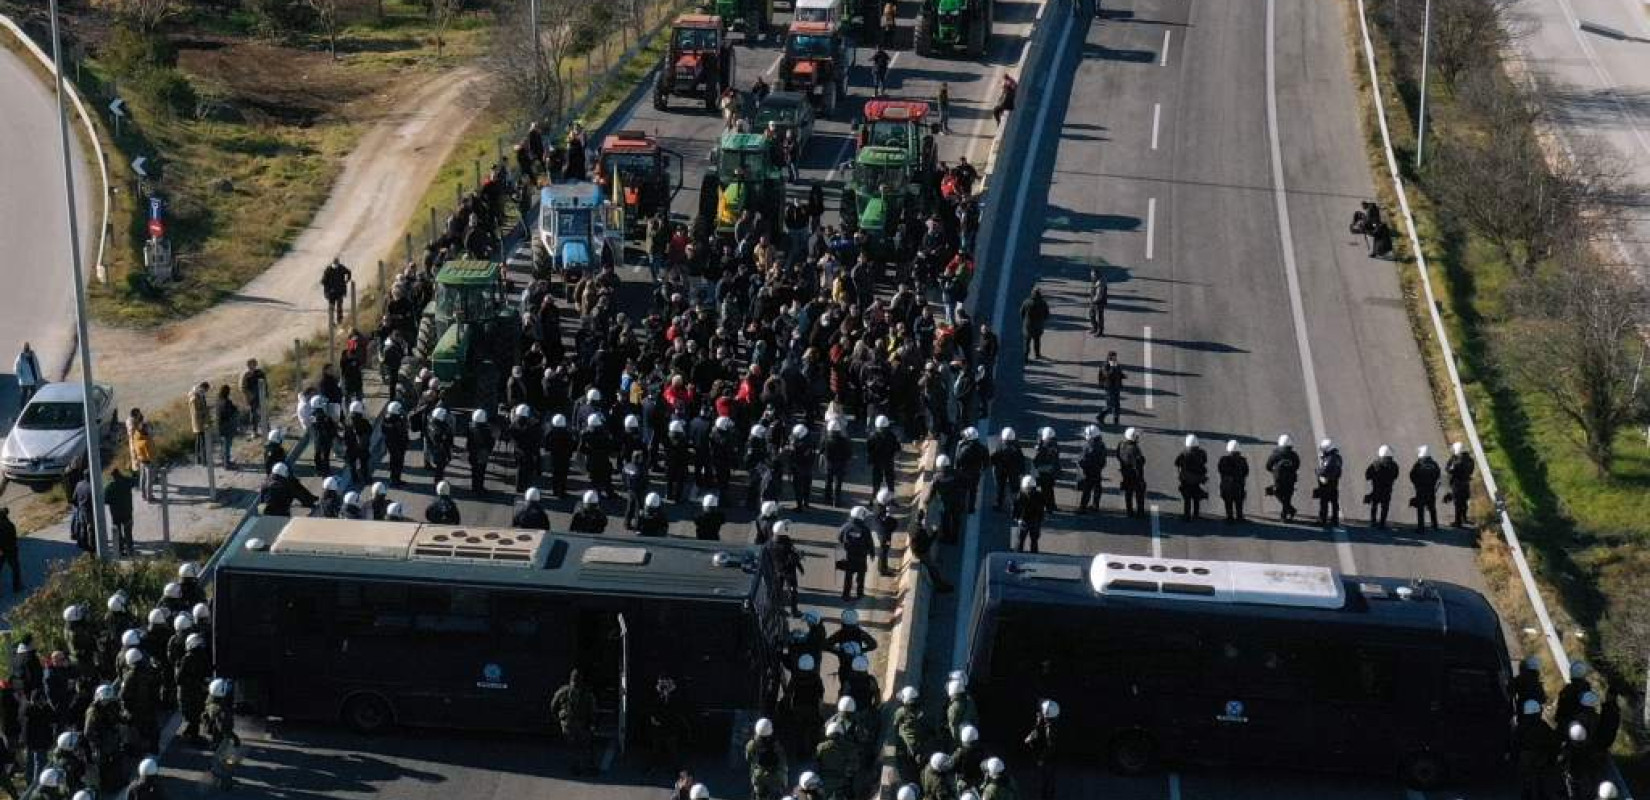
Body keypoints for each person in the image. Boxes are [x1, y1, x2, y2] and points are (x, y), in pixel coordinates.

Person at [551, 670, 598, 775]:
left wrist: (558, 718)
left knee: (573, 747)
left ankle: (576, 767)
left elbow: (553, 705)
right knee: (586, 746)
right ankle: (589, 768)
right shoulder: (587, 693)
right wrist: (593, 723)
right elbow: (593, 710)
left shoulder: (563, 691)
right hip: (581, 723)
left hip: (568, 724)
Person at [202, 679, 240, 789]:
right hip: (222, 739)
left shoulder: (210, 700)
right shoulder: (220, 709)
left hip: (215, 736)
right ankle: (224, 782)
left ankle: (213, 772)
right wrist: (234, 738)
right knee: (226, 761)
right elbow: (224, 728)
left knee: (218, 758)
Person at [891, 687, 929, 781]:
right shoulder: (921, 711)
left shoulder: (901, 712)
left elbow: (895, 725)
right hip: (921, 742)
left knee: (910, 765)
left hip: (908, 744)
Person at [747, 717, 789, 800]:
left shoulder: (752, 744)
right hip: (776, 775)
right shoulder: (777, 744)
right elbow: (783, 760)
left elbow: (749, 758)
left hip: (759, 775)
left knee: (759, 795)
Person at [837, 507, 874, 601]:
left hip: (849, 556)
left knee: (848, 576)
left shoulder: (845, 526)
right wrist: (872, 553)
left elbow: (839, 537)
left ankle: (846, 595)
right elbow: (870, 543)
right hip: (861, 557)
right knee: (861, 576)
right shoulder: (865, 529)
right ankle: (859, 594)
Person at [1024, 700, 1057, 800]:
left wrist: (1041, 759)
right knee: (1049, 782)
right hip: (1051, 760)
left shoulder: (1049, 730)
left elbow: (1050, 747)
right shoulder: (1053, 724)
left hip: (1046, 761)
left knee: (1044, 783)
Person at [1264, 434, 1300, 522]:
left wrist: (1274, 471)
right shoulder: (1293, 455)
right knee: (1288, 496)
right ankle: (1287, 512)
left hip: (1278, 479)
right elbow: (1297, 465)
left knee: (1278, 493)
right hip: (1291, 479)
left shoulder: (1276, 454)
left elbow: (1268, 466)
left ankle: (1287, 512)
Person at [1363, 445, 1400, 529]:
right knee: (1385, 506)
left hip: (1376, 488)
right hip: (1387, 489)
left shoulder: (1375, 463)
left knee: (1374, 505)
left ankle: (1373, 522)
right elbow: (1396, 476)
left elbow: (1367, 475)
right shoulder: (1394, 465)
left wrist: (1374, 476)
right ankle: (1382, 523)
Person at [1174, 435, 1208, 522]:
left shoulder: (1184, 453)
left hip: (1187, 480)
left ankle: (1187, 515)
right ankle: (1196, 515)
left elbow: (1176, 463)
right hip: (1197, 479)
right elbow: (1204, 461)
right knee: (1196, 497)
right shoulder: (1202, 453)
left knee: (1187, 498)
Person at [990, 428, 1025, 512]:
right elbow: (1021, 460)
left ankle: (999, 503)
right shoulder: (1016, 447)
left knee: (1000, 487)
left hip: (1001, 470)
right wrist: (1021, 471)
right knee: (1014, 489)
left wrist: (992, 464)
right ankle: (1015, 506)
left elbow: (994, 457)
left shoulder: (1000, 445)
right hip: (1013, 471)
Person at [1408, 445, 1441, 531]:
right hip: (1431, 489)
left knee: (1420, 508)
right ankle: (1435, 526)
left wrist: (1417, 484)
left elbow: (1412, 475)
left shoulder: (1419, 464)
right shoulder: (1434, 464)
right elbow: (1438, 475)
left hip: (1421, 489)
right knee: (1432, 508)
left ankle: (1421, 528)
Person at [1115, 428, 1146, 518]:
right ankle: (1140, 512)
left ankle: (1129, 511)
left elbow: (1117, 455)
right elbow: (1139, 464)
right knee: (1139, 493)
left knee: (1128, 493)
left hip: (1125, 472)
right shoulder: (1134, 449)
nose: (1138, 437)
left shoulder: (1121, 444)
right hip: (1135, 474)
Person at [104, 469, 135, 556]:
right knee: (128, 532)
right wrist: (123, 477)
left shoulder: (110, 486)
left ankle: (120, 550)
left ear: (112, 477)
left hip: (115, 513)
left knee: (117, 533)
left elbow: (105, 501)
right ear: (120, 474)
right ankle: (130, 549)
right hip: (127, 511)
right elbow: (133, 481)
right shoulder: (126, 483)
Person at [1216, 440, 1248, 523]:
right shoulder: (1242, 461)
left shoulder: (1223, 460)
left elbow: (1220, 470)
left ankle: (1229, 517)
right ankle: (1239, 516)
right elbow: (1246, 472)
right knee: (1239, 501)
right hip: (1239, 485)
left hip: (1227, 486)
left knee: (1228, 500)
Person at [1011, 476, 1045, 553]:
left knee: (1024, 540)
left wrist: (1016, 517)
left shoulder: (1021, 495)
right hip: (1030, 521)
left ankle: (1020, 554)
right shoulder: (1038, 496)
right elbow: (1041, 510)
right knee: (1030, 541)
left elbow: (1015, 508)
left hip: (1028, 521)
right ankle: (1031, 555)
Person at [1444, 441, 1474, 527]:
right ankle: (1464, 518)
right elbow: (1471, 471)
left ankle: (1458, 522)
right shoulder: (1471, 460)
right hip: (1466, 484)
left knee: (1457, 503)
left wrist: (1451, 463)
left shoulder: (1457, 462)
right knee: (1464, 502)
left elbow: (1449, 470)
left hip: (1457, 485)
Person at [867, 416, 900, 495]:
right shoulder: (891, 436)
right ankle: (891, 496)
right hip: (888, 461)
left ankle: (875, 494)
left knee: (876, 479)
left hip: (877, 462)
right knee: (890, 479)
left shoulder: (872, 436)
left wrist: (870, 460)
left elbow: (869, 449)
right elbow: (897, 448)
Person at [1315, 439, 1342, 527]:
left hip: (1327, 484)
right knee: (1334, 501)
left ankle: (1322, 519)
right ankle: (1335, 519)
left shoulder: (1330, 459)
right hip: (1334, 483)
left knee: (1324, 502)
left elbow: (1323, 471)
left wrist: (1317, 471)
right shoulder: (1338, 457)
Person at [1018, 288, 1050, 362]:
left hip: (1028, 325)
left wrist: (1024, 320)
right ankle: (1037, 354)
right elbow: (1046, 314)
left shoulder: (1026, 302)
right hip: (1038, 325)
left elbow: (1021, 312)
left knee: (1027, 342)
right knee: (1037, 340)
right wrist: (1043, 320)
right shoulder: (1043, 303)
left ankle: (1026, 357)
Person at [239, 358, 267, 437]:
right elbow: (242, 387)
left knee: (264, 412)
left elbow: (265, 383)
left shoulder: (260, 372)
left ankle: (266, 428)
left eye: (254, 364)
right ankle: (254, 431)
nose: (252, 366)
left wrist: (265, 393)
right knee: (254, 415)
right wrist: (250, 396)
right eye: (251, 364)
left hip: (261, 396)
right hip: (252, 398)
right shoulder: (245, 375)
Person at [1096, 352, 1125, 426]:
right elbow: (1107, 375)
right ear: (1109, 358)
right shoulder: (1105, 365)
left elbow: (1118, 372)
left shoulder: (1116, 364)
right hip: (1109, 387)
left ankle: (1116, 419)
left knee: (1117, 404)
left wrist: (1122, 375)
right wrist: (1112, 367)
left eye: (1115, 357)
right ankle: (1100, 416)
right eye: (1113, 357)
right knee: (1110, 405)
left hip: (1116, 386)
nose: (1115, 359)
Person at [321, 257, 351, 326]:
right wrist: (328, 289)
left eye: (336, 264)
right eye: (334, 264)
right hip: (331, 293)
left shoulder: (341, 268)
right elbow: (323, 281)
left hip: (339, 291)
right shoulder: (328, 270)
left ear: (338, 263)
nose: (335, 266)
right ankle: (331, 322)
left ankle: (340, 321)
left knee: (339, 306)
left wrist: (347, 280)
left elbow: (348, 272)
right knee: (331, 307)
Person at [214, 386, 238, 469]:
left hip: (219, 425)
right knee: (227, 445)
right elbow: (230, 412)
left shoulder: (218, 400)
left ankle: (225, 461)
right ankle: (227, 464)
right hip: (227, 426)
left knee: (223, 445)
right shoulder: (226, 402)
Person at [187, 382, 210, 467]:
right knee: (202, 442)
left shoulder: (198, 395)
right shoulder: (195, 398)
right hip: (198, 421)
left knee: (199, 441)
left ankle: (200, 459)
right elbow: (196, 412)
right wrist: (205, 411)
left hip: (200, 421)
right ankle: (203, 460)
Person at [0, 508, 22, 593]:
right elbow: (14, 538)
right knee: (15, 569)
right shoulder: (10, 525)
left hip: (1, 551)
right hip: (11, 550)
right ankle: (17, 587)